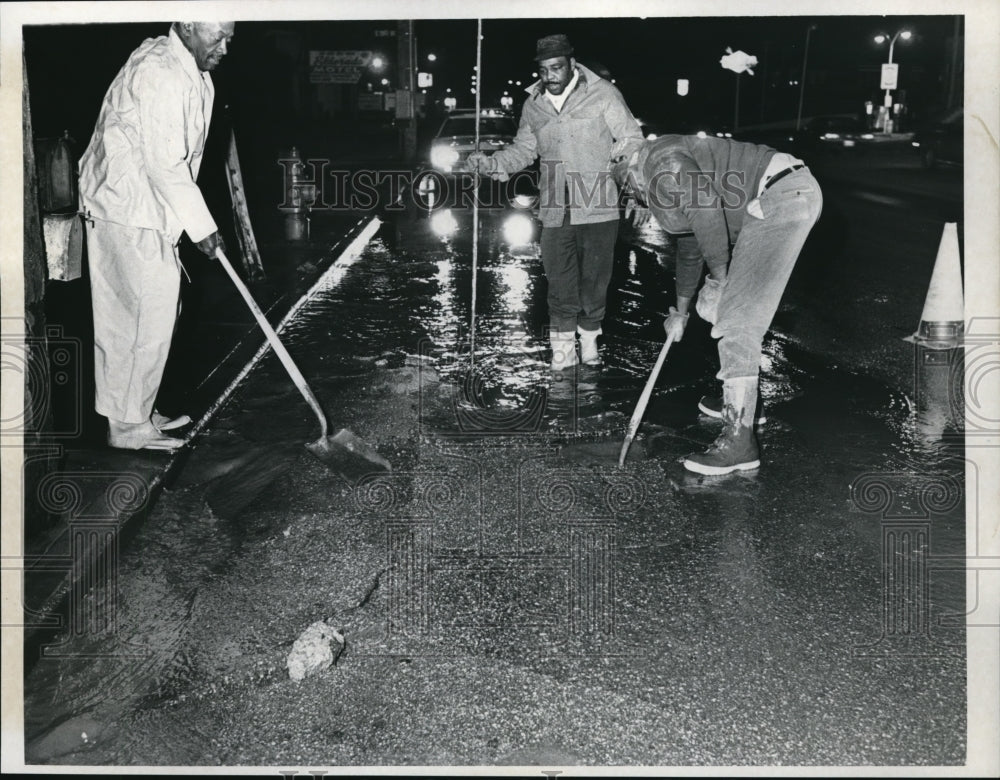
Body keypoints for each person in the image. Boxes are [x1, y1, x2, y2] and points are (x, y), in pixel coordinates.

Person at [614, 134, 822, 475]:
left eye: (630, 193)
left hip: (780, 196)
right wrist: (679, 312)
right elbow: (692, 242)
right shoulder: (664, 175)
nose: (635, 203)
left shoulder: (661, 161)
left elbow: (707, 209)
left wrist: (722, 278)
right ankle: (741, 401)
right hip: (781, 194)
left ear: (631, 170)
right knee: (711, 308)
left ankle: (739, 440)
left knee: (737, 317)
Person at [78, 22, 234, 450]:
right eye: (216, 37)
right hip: (126, 204)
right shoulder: (161, 70)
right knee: (139, 316)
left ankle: (134, 412)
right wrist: (203, 228)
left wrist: (189, 221)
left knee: (151, 312)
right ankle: (127, 427)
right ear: (186, 26)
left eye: (229, 39)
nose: (223, 48)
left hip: (144, 205)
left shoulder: (189, 69)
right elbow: (167, 164)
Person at [466, 34, 643, 371]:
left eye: (557, 67)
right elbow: (524, 148)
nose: (550, 76)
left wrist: (621, 165)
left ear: (572, 64)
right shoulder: (534, 104)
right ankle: (563, 353)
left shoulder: (604, 94)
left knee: (594, 284)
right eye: (544, 69)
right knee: (559, 282)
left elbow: (631, 138)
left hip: (598, 206)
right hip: (554, 209)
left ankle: (589, 344)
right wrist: (492, 163)